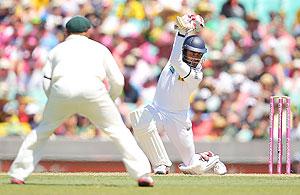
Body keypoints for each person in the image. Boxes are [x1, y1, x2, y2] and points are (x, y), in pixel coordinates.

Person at [8, 16, 154, 187]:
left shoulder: (56, 50)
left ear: (66, 32)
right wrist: (109, 98)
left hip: (61, 90)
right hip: (94, 90)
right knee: (119, 131)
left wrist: (55, 100)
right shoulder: (100, 49)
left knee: (41, 131)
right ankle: (142, 174)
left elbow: (46, 81)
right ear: (88, 31)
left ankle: (19, 173)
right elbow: (118, 81)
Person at [130, 14, 227, 175]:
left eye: (198, 55)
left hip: (178, 118)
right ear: (184, 51)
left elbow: (176, 59)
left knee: (193, 167)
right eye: (191, 53)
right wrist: (185, 26)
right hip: (158, 110)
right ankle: (160, 164)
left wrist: (182, 32)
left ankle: (211, 160)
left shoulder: (196, 74)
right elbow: (176, 51)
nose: (194, 57)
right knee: (139, 119)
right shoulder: (173, 60)